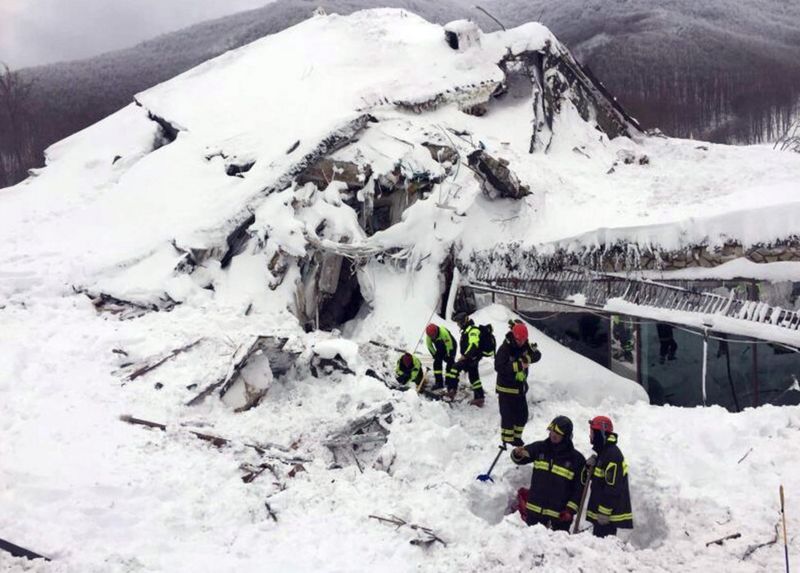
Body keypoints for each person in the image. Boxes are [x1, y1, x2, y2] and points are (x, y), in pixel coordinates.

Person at [511, 416, 586, 531]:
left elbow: (579, 490)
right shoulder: (540, 448)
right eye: (551, 431)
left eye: (558, 433)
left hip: (559, 518)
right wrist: (517, 454)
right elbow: (520, 458)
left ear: (566, 436)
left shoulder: (577, 460)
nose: (553, 435)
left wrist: (570, 511)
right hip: (534, 513)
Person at [585, 415, 633, 538]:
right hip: (602, 513)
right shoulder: (603, 453)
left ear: (600, 433)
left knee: (602, 547)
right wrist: (590, 468)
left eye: (592, 432)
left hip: (606, 516)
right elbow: (599, 481)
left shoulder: (612, 455)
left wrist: (604, 511)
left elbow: (613, 486)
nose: (590, 436)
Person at [454, 313, 487, 407]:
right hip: (471, 358)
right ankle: (479, 397)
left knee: (454, 368)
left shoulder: (473, 331)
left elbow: (473, 345)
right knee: (474, 378)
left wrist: (465, 356)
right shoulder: (467, 330)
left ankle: (451, 391)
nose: (458, 325)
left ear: (463, 321)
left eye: (459, 323)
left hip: (471, 358)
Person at [425, 323, 458, 395]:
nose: (432, 338)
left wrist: (449, 355)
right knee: (436, 363)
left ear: (436, 332)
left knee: (450, 363)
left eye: (433, 336)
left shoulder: (443, 333)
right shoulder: (429, 336)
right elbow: (429, 346)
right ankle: (439, 382)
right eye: (431, 336)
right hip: (440, 347)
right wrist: (434, 355)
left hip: (451, 345)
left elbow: (449, 345)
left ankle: (449, 381)